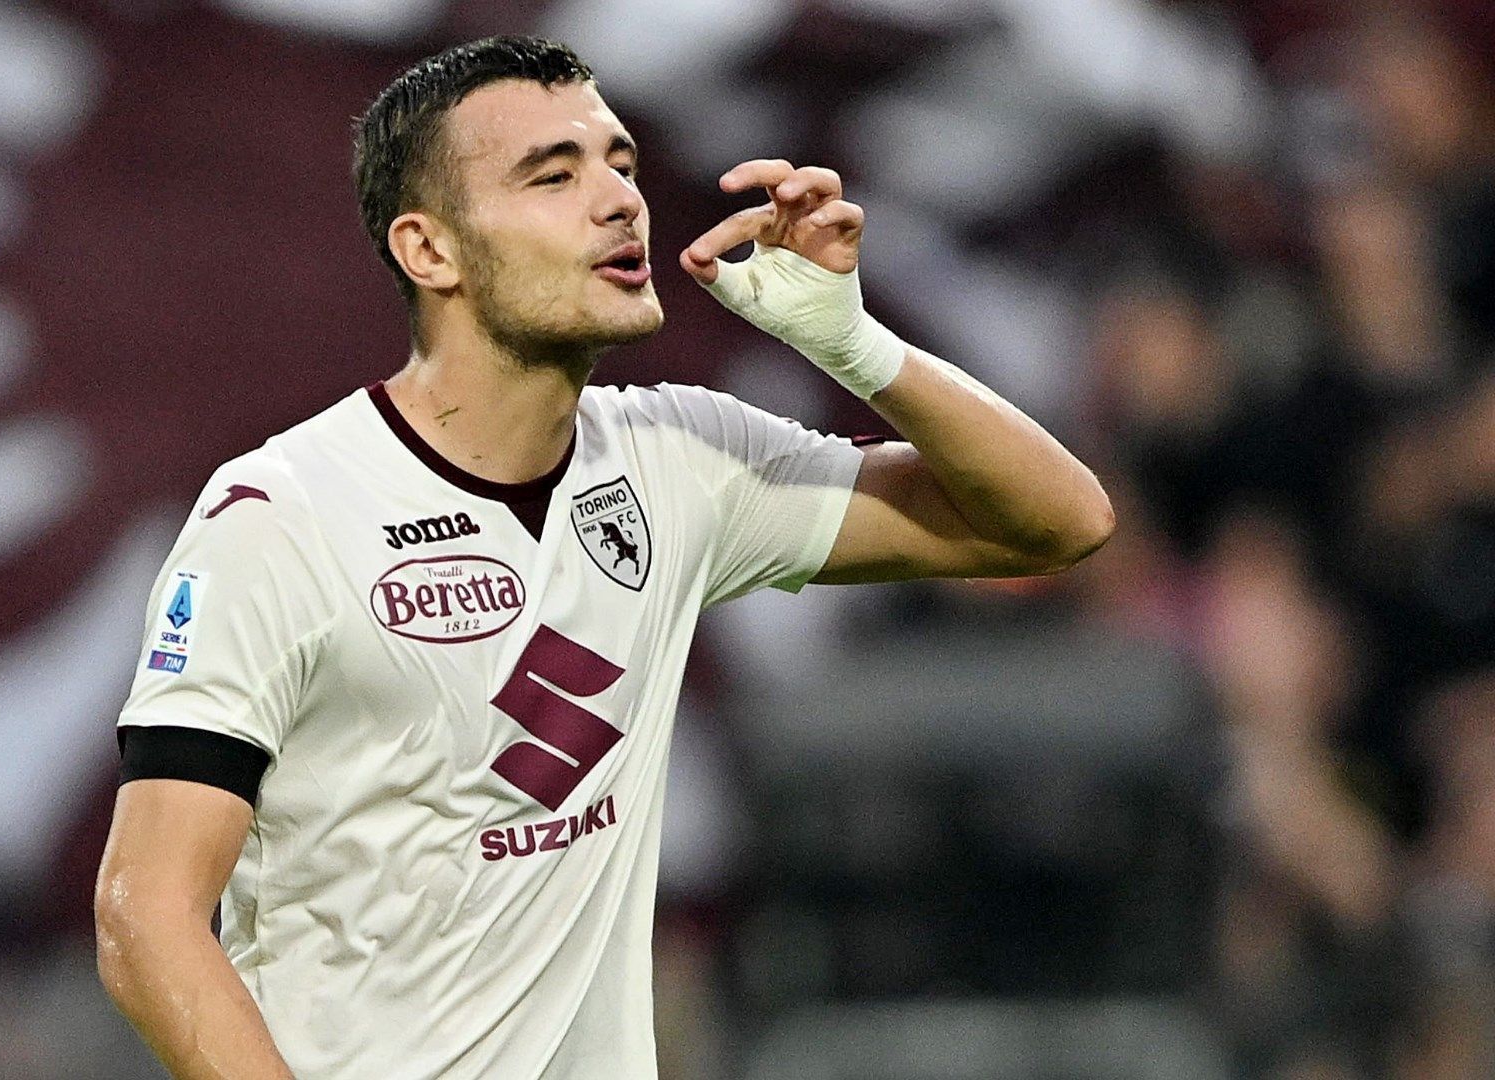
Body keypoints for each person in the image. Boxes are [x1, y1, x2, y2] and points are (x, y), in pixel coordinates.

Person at [93, 35, 1112, 1080]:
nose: (619, 200)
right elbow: (146, 918)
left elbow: (1055, 522)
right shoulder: (282, 516)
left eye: (620, 164)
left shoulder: (680, 460)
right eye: (553, 176)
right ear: (430, 251)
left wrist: (855, 346)